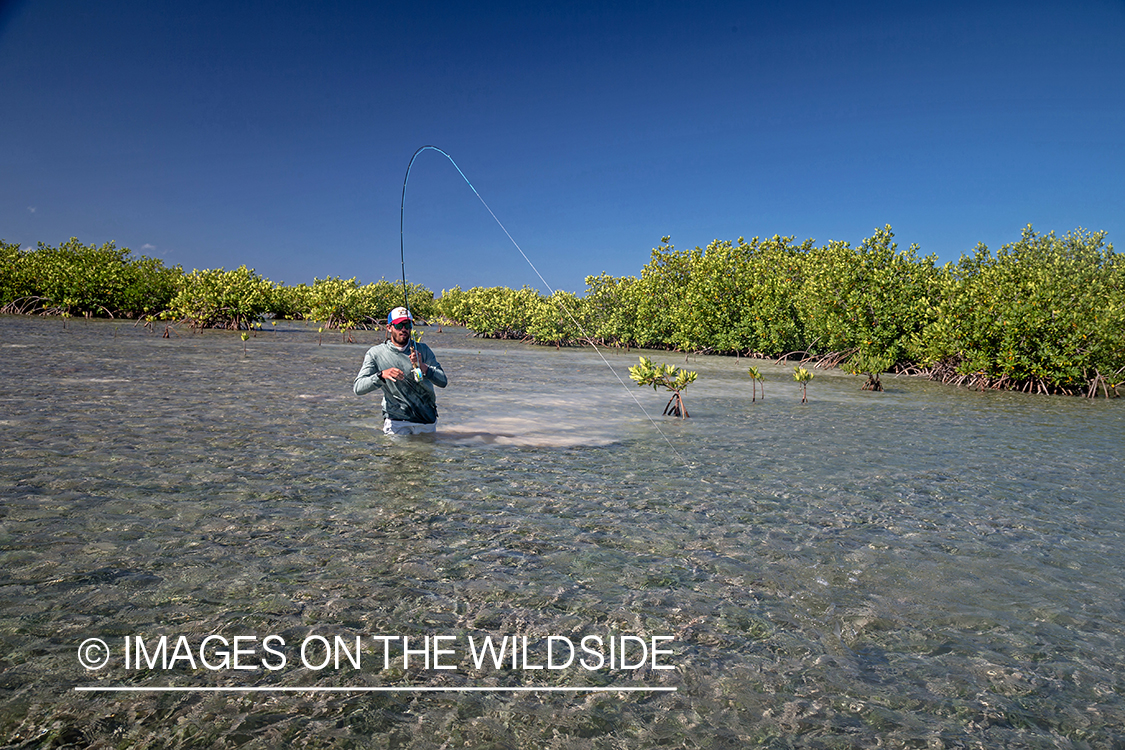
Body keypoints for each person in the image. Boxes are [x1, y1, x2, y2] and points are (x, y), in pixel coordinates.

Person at [354, 306, 448, 435]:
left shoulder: (423, 350)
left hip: (427, 420)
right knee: (398, 455)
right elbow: (358, 388)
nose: (404, 329)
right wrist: (381, 375)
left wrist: (423, 366)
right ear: (389, 327)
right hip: (396, 421)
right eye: (399, 325)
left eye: (407, 325)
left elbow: (443, 381)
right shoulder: (375, 353)